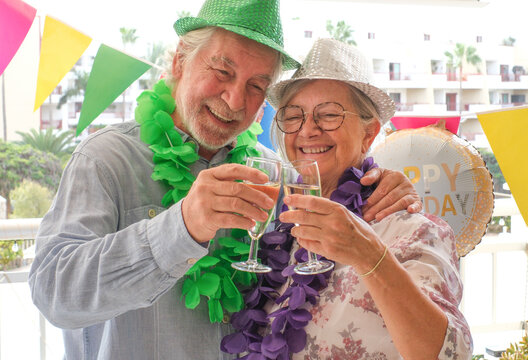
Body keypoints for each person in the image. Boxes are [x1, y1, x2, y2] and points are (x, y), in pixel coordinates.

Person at [28, 2, 421, 360]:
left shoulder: (275, 176)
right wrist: (182, 226)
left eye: (256, 86)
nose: (235, 101)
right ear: (181, 60)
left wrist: (378, 180)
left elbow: (333, 200)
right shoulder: (106, 159)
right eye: (222, 72)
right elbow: (53, 294)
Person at [257, 38, 470, 359]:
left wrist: (370, 257)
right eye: (293, 115)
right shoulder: (277, 223)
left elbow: (449, 354)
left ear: (369, 133)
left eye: (329, 114)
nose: (308, 129)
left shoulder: (412, 229)